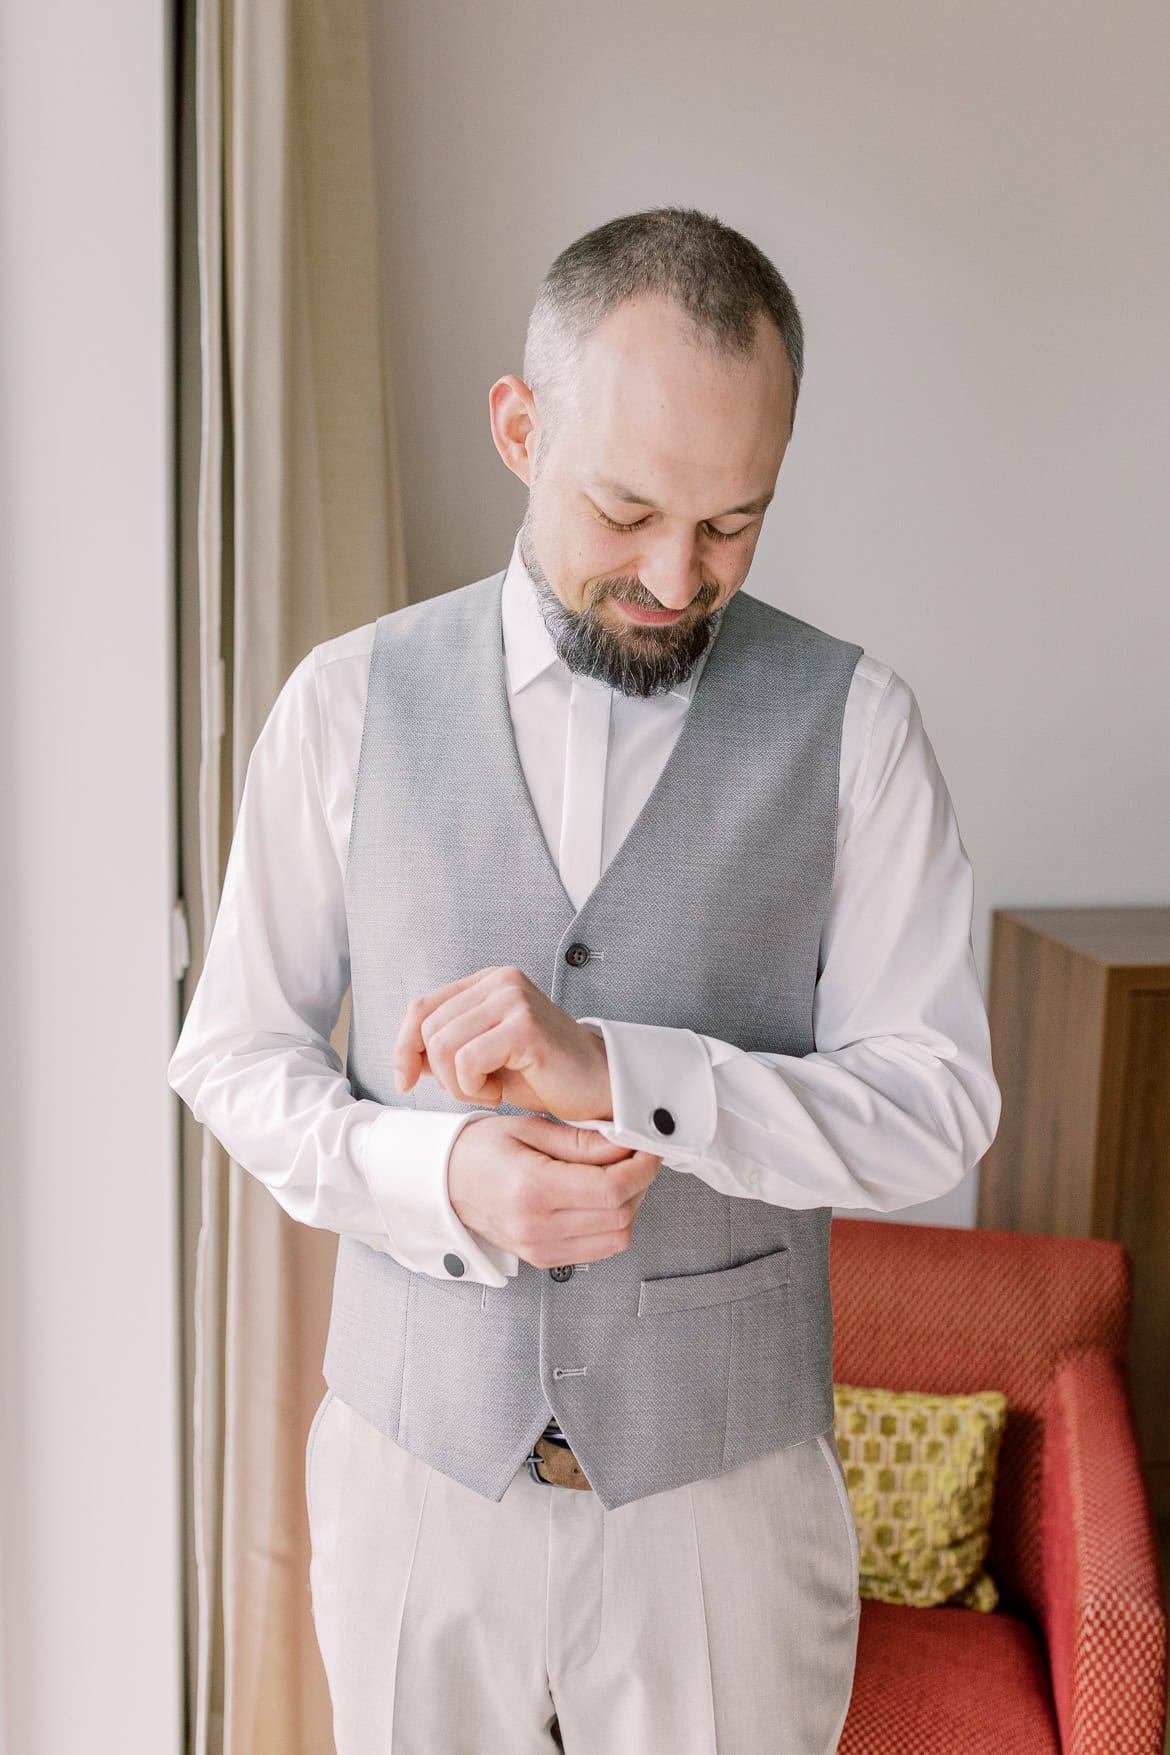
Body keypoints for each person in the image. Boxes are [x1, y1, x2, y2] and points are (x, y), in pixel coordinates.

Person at [168, 204, 1001, 1754]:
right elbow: (232, 1056)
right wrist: (443, 1169)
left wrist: (623, 1074)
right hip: (416, 1481)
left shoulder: (856, 726)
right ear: (516, 426)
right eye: (624, 510)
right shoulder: (345, 703)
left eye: (732, 523)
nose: (676, 578)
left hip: (725, 1510)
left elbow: (936, 1105)